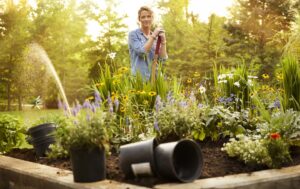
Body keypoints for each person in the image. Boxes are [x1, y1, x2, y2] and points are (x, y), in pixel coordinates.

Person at [128, 6, 168, 81]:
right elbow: (142, 52)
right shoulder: (133, 35)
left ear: (152, 18)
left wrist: (163, 41)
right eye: (143, 17)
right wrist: (153, 36)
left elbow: (162, 59)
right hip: (140, 79)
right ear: (139, 19)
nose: (146, 19)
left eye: (149, 16)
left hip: (155, 78)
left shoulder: (156, 37)